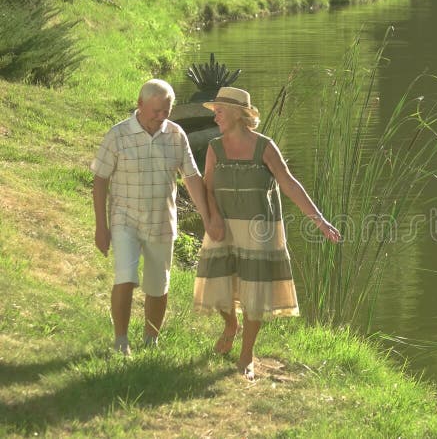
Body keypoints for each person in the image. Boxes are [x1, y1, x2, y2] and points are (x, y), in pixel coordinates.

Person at [193, 86, 341, 380]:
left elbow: (289, 184)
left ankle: (247, 353)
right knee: (218, 281)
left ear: (238, 114)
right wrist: (212, 218)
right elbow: (207, 187)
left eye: (220, 111)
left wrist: (320, 220)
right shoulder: (214, 147)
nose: (215, 117)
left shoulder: (265, 146)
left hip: (260, 230)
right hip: (224, 227)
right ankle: (230, 326)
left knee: (255, 292)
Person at [91, 79, 216, 356]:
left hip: (162, 221)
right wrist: (102, 226)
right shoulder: (118, 135)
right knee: (125, 276)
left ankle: (151, 340)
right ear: (140, 105)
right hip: (125, 219)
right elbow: (100, 181)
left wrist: (207, 216)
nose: (161, 117)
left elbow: (192, 178)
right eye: (155, 111)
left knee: (158, 285)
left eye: (166, 111)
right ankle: (121, 340)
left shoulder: (176, 135)